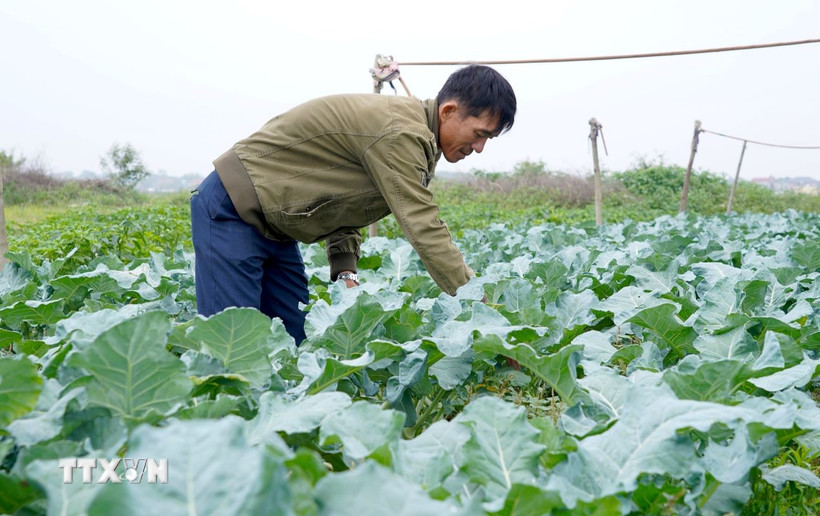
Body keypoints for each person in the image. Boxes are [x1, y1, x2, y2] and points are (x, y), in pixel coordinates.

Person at [191, 64, 516, 344]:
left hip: (276, 230)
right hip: (232, 210)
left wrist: (345, 266)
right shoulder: (401, 133)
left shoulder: (418, 138)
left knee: (290, 342)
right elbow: (424, 228)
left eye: (488, 139)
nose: (480, 147)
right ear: (448, 112)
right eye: (479, 134)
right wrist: (482, 310)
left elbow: (342, 192)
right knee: (231, 347)